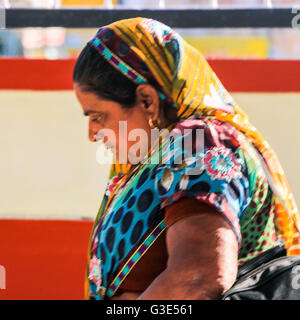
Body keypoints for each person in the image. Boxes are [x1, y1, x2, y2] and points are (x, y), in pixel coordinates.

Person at [73, 17, 300, 300]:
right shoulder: (163, 156)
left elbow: (198, 277)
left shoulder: (199, 144)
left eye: (98, 116)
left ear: (146, 100)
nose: (92, 133)